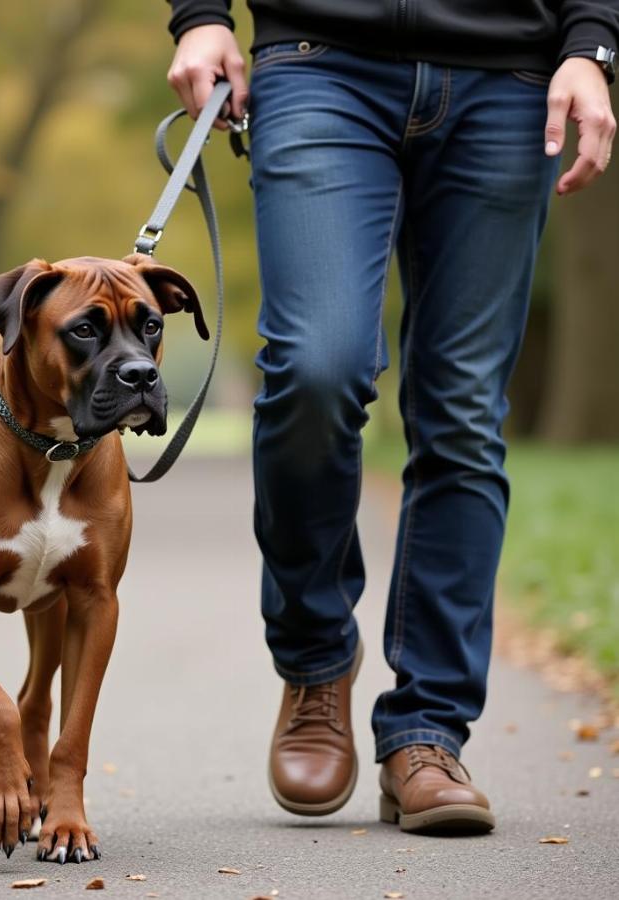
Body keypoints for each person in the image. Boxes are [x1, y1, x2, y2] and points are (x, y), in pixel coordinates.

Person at [165, 0, 617, 834]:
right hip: (319, 58)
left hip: (511, 78)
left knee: (463, 411)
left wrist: (593, 42)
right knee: (315, 367)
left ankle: (428, 730)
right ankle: (315, 662)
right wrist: (199, 14)